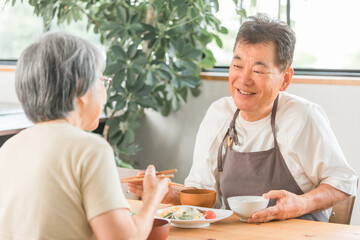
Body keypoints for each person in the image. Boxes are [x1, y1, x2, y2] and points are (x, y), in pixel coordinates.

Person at [129, 13, 358, 223]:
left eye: (258, 71)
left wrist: (300, 204)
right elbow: (205, 195)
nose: (243, 80)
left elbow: (343, 182)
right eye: (237, 65)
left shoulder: (302, 116)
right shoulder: (219, 115)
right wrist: (171, 193)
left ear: (285, 78)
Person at [0, 32, 169, 239]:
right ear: (81, 87)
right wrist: (153, 198)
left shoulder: (9, 148)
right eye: (102, 81)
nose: (105, 91)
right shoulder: (91, 149)